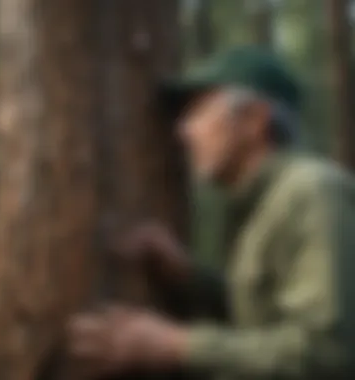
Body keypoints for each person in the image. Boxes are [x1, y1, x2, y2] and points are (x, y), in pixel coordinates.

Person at [66, 46, 355, 379]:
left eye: (199, 110)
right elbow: (260, 320)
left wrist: (177, 345)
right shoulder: (259, 205)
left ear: (253, 120)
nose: (182, 132)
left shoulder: (312, 193)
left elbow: (328, 352)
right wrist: (187, 276)